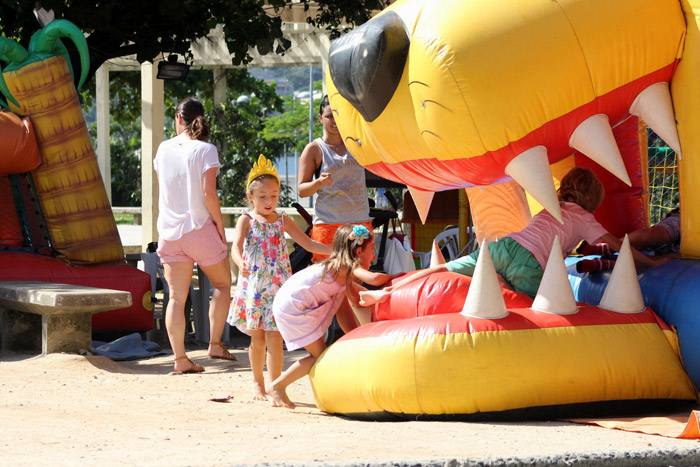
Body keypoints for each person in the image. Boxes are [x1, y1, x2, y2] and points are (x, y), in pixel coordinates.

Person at [360, 167, 664, 305]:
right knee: (548, 310)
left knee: (439, 268)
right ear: (593, 198)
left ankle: (383, 294)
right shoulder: (583, 217)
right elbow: (616, 245)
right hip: (529, 261)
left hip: (505, 246)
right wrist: (654, 264)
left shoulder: (553, 204)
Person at [227, 154, 332, 400]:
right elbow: (236, 246)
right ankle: (257, 382)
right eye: (262, 196)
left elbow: (307, 243)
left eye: (274, 195)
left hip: (279, 288)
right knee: (258, 338)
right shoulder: (247, 219)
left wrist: (336, 251)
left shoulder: (282, 220)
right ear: (250, 196)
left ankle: (275, 385)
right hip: (255, 287)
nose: (269, 201)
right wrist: (240, 261)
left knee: (275, 338)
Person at [154, 97, 234, 374]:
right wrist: (220, 228)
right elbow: (209, 194)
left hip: (168, 232)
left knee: (175, 296)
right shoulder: (206, 149)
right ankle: (214, 343)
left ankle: (180, 359)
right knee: (223, 285)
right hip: (198, 228)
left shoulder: (163, 149)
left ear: (178, 118)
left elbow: (165, 189)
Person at [266, 224, 382, 409]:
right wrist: (398, 278)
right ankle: (277, 386)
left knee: (321, 354)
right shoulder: (342, 269)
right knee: (319, 356)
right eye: (371, 249)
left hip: (292, 303)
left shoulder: (340, 272)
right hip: (293, 307)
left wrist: (357, 337)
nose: (373, 255)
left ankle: (285, 386)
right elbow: (374, 279)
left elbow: (343, 310)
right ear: (359, 251)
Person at [297, 95, 373, 332]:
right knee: (332, 289)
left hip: (359, 224)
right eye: (330, 116)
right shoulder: (313, 149)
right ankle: (326, 337)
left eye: (339, 115)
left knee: (356, 287)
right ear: (320, 118)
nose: (334, 121)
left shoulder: (358, 144)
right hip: (329, 228)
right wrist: (318, 183)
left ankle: (355, 336)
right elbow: (301, 189)